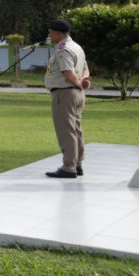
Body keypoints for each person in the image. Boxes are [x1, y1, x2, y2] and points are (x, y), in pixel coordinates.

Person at [43, 19, 91, 178]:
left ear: (58, 33)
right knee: (76, 129)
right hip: (76, 94)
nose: (49, 35)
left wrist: (78, 84)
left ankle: (68, 167)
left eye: (51, 32)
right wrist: (83, 82)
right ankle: (77, 164)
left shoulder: (63, 49)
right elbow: (86, 70)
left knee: (66, 131)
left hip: (64, 94)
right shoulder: (77, 47)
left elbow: (67, 71)